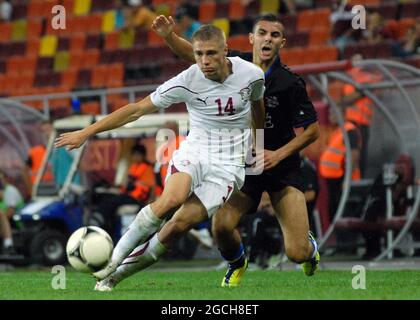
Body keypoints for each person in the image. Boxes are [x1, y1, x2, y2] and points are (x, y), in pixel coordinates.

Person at [55, 25, 266, 290]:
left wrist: (258, 143)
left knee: (178, 226)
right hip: (197, 151)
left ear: (226, 51)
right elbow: (135, 110)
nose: (204, 61)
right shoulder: (188, 80)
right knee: (171, 200)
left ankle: (114, 277)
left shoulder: (252, 75)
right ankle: (112, 260)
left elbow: (258, 104)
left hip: (228, 165)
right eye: (199, 54)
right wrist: (87, 131)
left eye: (211, 53)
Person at [151, 13, 321, 287]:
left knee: (296, 253)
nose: (268, 38)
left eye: (274, 35)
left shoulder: (290, 83)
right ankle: (237, 262)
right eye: (262, 33)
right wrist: (169, 36)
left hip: (281, 168)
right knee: (220, 227)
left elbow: (313, 132)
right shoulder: (234, 64)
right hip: (242, 165)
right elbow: (191, 54)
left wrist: (277, 154)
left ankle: (309, 249)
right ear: (252, 39)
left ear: (282, 43)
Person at [94, 144, 155, 237]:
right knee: (107, 198)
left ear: (142, 155)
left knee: (111, 202)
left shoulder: (147, 168)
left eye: (136, 155)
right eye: (133, 155)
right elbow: (128, 184)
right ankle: (104, 224)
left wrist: (149, 201)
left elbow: (150, 187)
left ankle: (99, 220)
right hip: (130, 195)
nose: (134, 157)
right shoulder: (134, 166)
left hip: (137, 198)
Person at [319, 105, 362, 226]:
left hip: (343, 181)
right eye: (329, 113)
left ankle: (347, 243)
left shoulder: (349, 131)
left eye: (333, 113)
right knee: (334, 213)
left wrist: (347, 180)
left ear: (342, 114)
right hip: (334, 181)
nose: (330, 116)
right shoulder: (338, 131)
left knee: (343, 214)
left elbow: (354, 156)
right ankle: (340, 240)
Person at [24, 120, 54, 197]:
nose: (46, 133)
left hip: (57, 187)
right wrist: (30, 190)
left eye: (48, 130)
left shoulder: (61, 149)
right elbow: (24, 170)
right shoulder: (35, 152)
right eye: (43, 131)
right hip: (39, 189)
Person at [0, 171, 24, 255]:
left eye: (1, 179)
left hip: (16, 222)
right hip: (5, 222)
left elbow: (10, 213)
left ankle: (8, 244)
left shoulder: (10, 191)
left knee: (1, 215)